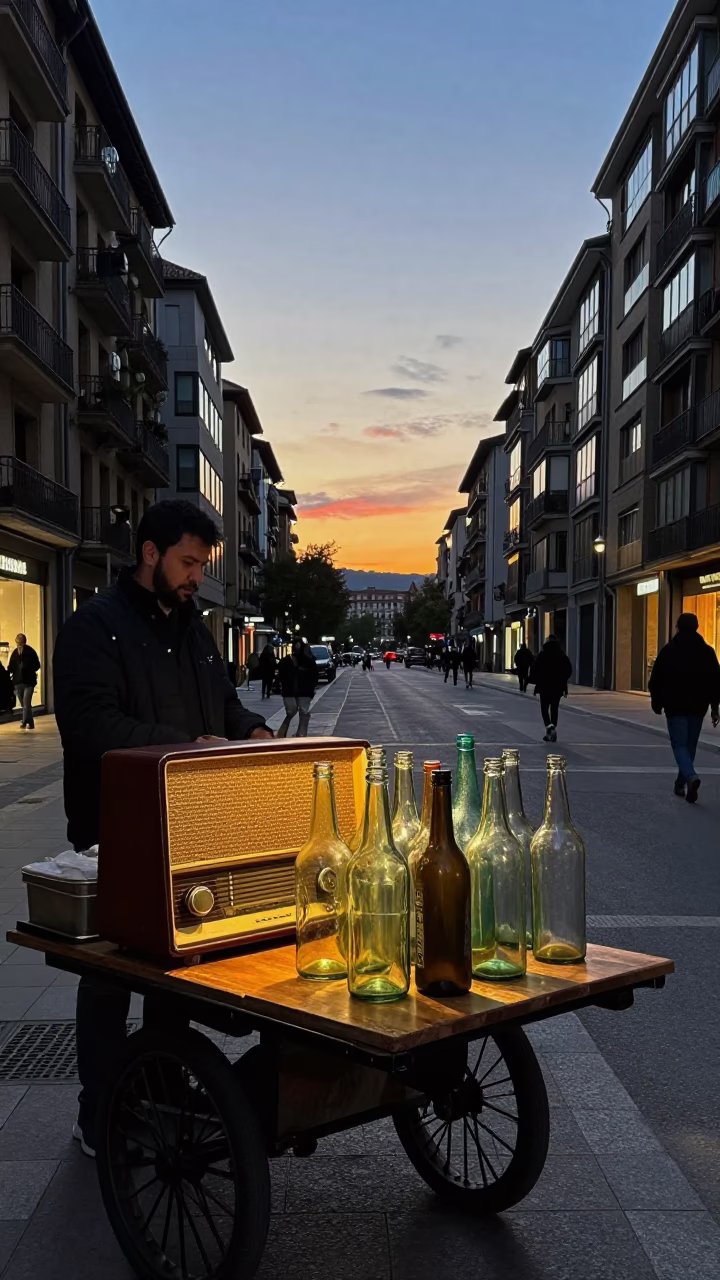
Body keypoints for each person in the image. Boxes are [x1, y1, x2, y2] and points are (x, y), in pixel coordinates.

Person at [53, 500, 272, 1157]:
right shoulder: (93, 627)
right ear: (150, 553)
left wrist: (249, 731)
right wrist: (187, 744)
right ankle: (100, 1116)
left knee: (174, 970)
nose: (195, 576)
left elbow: (225, 703)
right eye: (187, 562)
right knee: (109, 978)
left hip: (192, 824)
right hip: (114, 831)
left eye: (202, 565)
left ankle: (161, 1090)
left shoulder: (194, 629)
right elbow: (91, 725)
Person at [649, 612, 720, 803]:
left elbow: (656, 679)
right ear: (697, 627)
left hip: (675, 706)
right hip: (698, 707)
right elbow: (715, 681)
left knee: (679, 745)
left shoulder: (669, 650)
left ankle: (689, 777)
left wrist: (657, 701)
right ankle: (681, 784)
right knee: (689, 746)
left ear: (678, 627)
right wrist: (715, 706)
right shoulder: (707, 652)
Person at [530, 634, 572, 742]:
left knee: (544, 709)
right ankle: (552, 727)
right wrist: (562, 679)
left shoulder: (542, 655)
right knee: (554, 708)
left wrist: (534, 681)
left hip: (544, 687)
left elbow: (534, 670)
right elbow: (568, 670)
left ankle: (549, 726)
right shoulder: (562, 655)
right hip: (557, 687)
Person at [277, 638, 318, 736]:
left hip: (298, 690)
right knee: (297, 711)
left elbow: (314, 676)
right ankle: (300, 733)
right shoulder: (288, 661)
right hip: (297, 690)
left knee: (299, 711)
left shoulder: (287, 661)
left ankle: (297, 733)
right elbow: (314, 676)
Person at [8, 633, 41, 729]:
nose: (17, 640)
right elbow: (11, 666)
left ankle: (24, 722)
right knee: (24, 704)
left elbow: (37, 665)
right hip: (18, 682)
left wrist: (28, 669)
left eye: (19, 638)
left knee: (26, 703)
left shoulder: (30, 651)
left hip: (28, 682)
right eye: (17, 638)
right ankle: (30, 722)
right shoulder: (15, 653)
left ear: (23, 640)